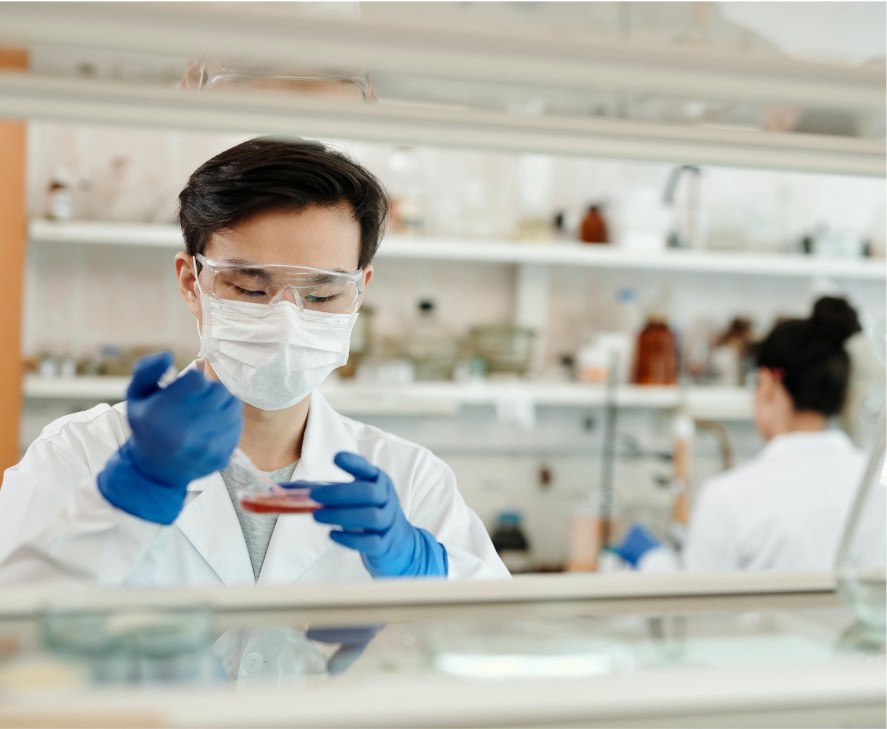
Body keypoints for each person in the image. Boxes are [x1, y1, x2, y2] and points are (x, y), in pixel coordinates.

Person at [0, 138, 509, 586]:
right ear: (190, 281)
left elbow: (505, 651)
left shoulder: (410, 479)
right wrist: (127, 500)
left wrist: (428, 569)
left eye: (322, 294)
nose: (285, 321)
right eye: (249, 287)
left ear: (359, 292)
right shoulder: (82, 454)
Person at [616, 296, 867, 572]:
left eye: (755, 384)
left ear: (768, 384)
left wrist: (653, 560)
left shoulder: (728, 497)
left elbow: (697, 605)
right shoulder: (877, 482)